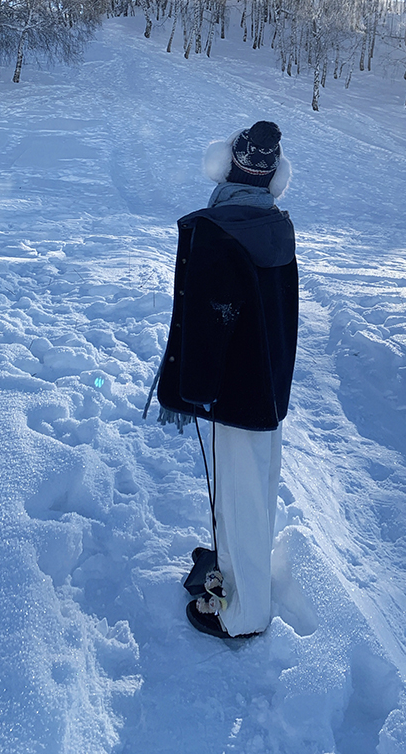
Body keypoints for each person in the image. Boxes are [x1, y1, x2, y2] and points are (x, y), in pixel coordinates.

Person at [156, 121, 298, 639]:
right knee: (253, 495)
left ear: (224, 166)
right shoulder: (275, 225)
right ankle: (236, 571)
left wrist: (193, 392)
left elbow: (210, 321)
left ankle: (243, 615)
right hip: (267, 387)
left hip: (235, 394)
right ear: (274, 179)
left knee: (239, 500)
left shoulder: (219, 231)